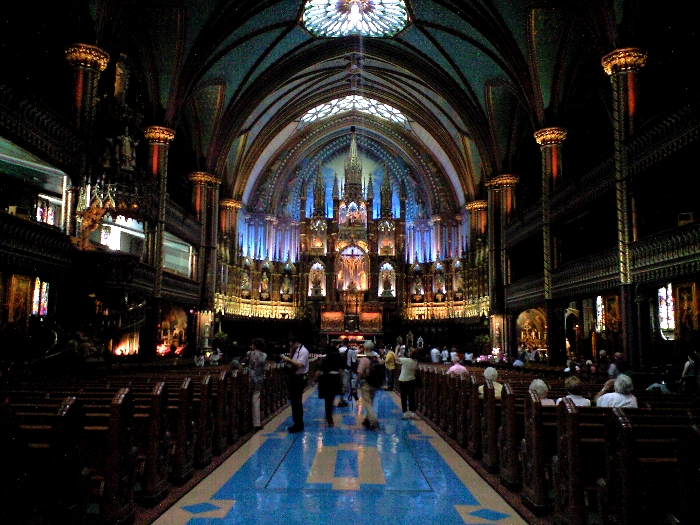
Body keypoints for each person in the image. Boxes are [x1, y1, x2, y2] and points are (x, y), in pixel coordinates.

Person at [280, 334, 309, 432]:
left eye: (291, 345)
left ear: (296, 343)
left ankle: (299, 424)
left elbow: (299, 364)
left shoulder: (303, 351)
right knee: (294, 401)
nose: (291, 346)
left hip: (299, 378)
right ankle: (296, 422)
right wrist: (291, 353)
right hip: (294, 377)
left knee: (297, 401)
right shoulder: (296, 350)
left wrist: (287, 359)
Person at [356, 341, 382, 429]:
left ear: (365, 348)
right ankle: (366, 419)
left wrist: (356, 383)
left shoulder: (364, 360)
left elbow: (360, 373)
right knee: (370, 401)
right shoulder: (377, 359)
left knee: (367, 403)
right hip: (375, 383)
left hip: (366, 383)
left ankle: (373, 421)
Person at [317, 345, 345, 426]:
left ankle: (329, 418)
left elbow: (319, 369)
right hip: (335, 379)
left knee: (327, 400)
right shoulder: (338, 358)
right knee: (331, 398)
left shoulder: (325, 359)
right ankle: (329, 417)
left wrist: (315, 379)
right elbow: (341, 370)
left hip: (326, 379)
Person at [245, 338, 268, 431]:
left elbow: (246, 365)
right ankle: (257, 423)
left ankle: (247, 422)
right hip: (259, 379)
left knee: (247, 398)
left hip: (249, 379)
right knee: (256, 400)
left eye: (252, 344)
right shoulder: (264, 355)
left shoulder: (249, 354)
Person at [397, 347, 420, 419]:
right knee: (411, 397)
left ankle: (405, 412)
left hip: (403, 380)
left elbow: (396, 358)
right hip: (412, 381)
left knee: (403, 397)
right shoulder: (415, 362)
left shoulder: (406, 360)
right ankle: (412, 412)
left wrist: (396, 350)